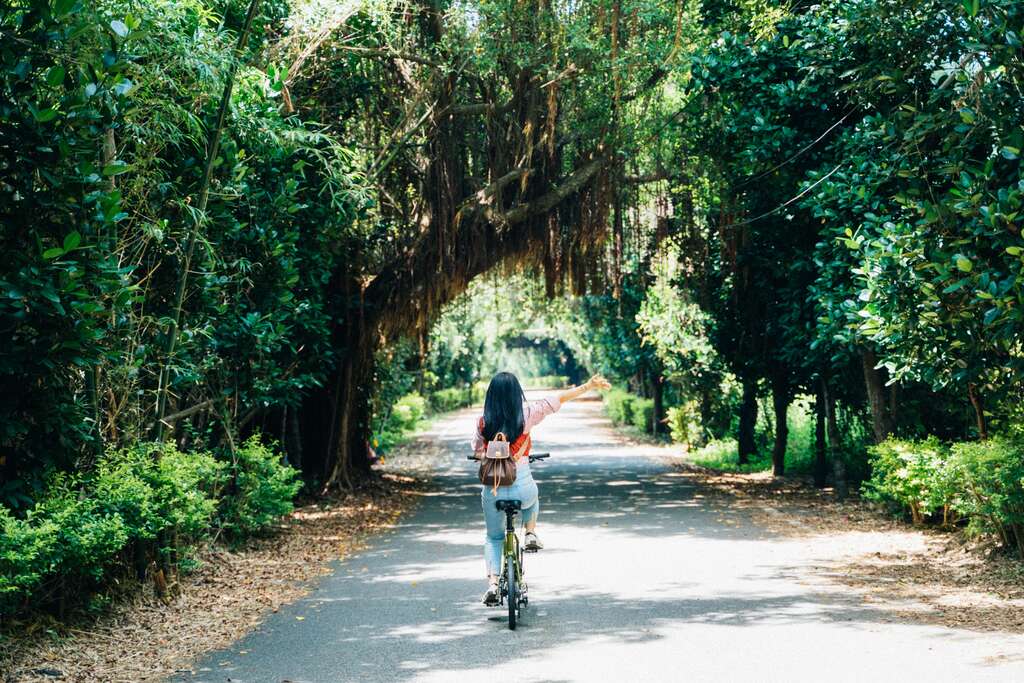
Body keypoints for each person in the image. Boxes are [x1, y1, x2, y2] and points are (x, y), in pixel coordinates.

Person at [471, 371, 610, 605]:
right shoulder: (528, 414)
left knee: (493, 538)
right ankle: (530, 533)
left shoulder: (483, 421)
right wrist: (588, 385)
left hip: (493, 491)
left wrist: (485, 453)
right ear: (517, 394)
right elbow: (558, 399)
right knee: (532, 498)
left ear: (490, 395)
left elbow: (476, 449)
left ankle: (493, 584)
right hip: (522, 489)